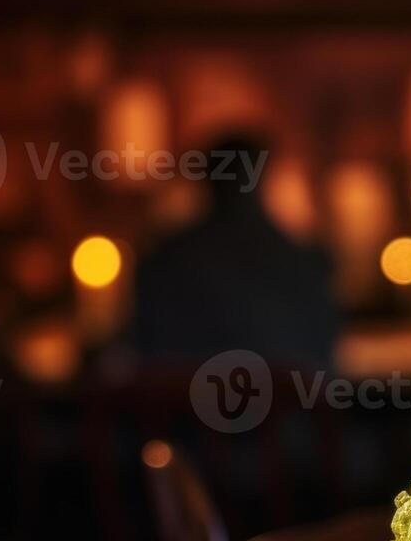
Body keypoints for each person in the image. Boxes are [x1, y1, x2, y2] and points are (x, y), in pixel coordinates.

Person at [134, 135, 336, 367]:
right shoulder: (304, 262)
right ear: (265, 180)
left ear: (207, 180)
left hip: (187, 400)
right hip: (286, 401)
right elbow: (323, 358)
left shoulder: (165, 260)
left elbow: (146, 352)